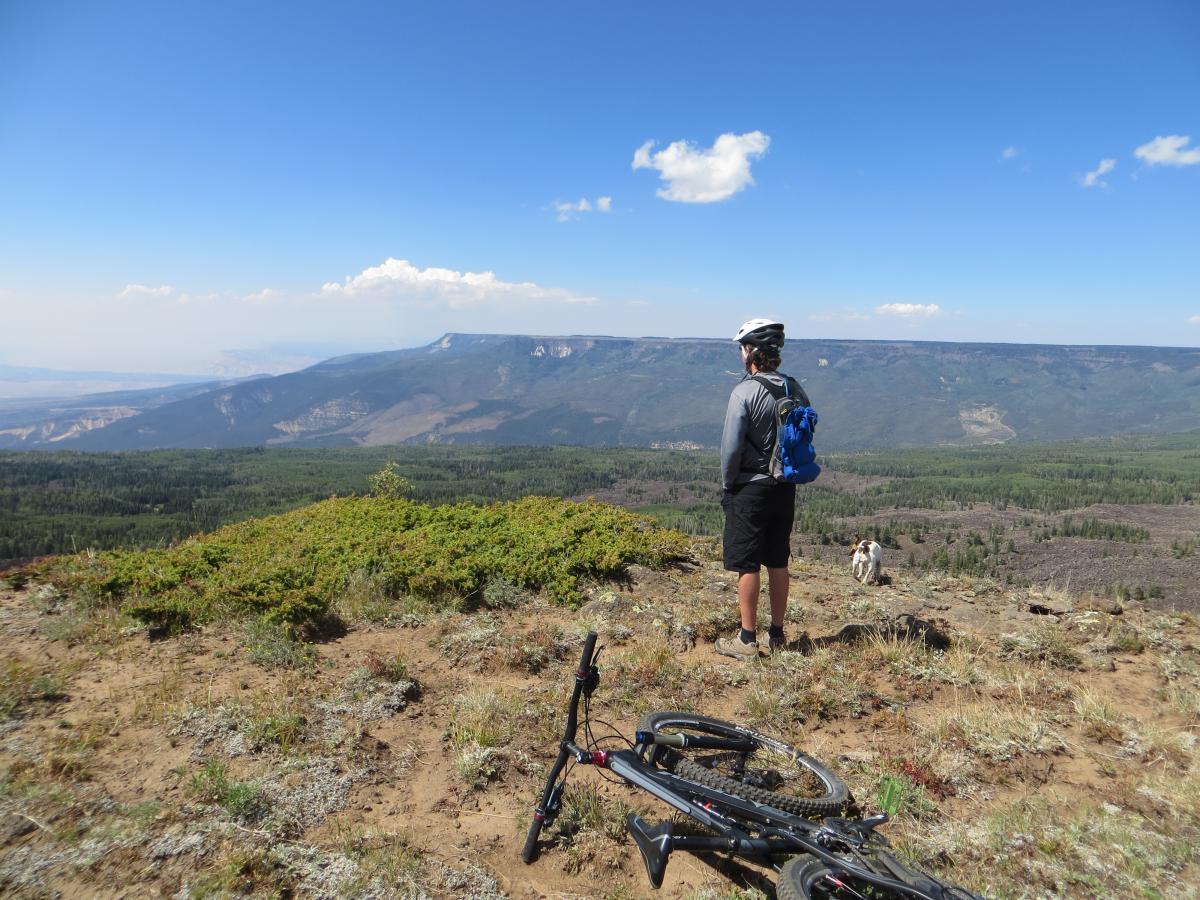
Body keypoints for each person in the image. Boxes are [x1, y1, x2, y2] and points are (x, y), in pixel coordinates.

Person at [714, 318, 808, 660]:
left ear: (750, 352)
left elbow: (730, 448)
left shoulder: (744, 392)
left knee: (748, 563)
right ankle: (778, 633)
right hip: (785, 486)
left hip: (751, 488)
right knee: (777, 559)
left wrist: (728, 485)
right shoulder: (793, 388)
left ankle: (747, 639)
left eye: (742, 348)